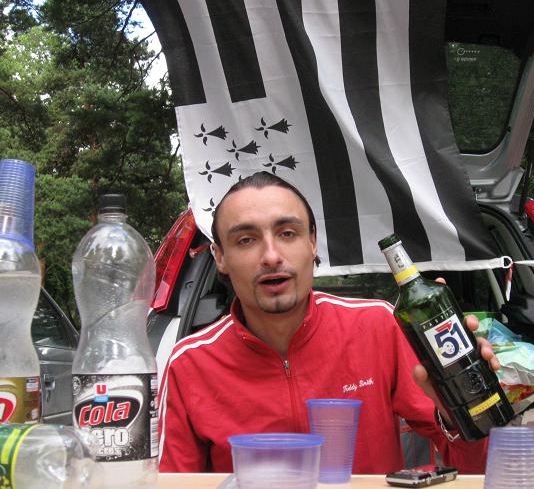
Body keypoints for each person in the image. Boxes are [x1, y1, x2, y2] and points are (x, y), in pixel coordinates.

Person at [158, 171, 498, 474]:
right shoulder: (189, 364)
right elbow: (170, 483)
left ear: (312, 242)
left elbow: (476, 469)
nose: (271, 256)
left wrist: (463, 410)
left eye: (287, 233)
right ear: (220, 257)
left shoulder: (377, 327)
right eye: (246, 240)